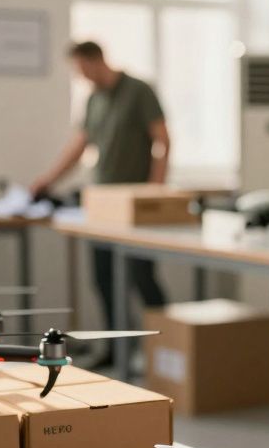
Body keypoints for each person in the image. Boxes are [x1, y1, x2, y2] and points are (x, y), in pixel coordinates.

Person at [32, 41, 170, 363]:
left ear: (97, 60)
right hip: (102, 205)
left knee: (142, 277)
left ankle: (169, 346)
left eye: (83, 69)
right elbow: (80, 145)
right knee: (104, 278)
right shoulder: (94, 99)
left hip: (135, 205)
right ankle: (116, 349)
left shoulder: (138, 91)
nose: (82, 76)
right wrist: (48, 180)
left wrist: (155, 190)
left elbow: (163, 141)